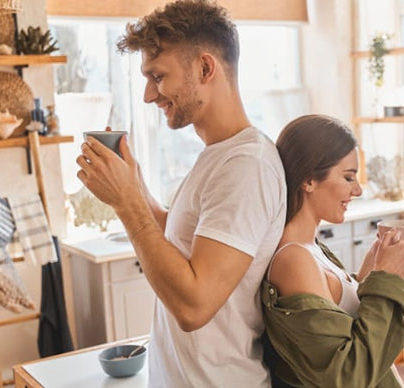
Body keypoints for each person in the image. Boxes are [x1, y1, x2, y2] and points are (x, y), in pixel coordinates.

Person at [76, 1, 286, 387]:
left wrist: (126, 204)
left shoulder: (246, 166)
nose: (148, 95)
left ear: (205, 68)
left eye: (158, 76)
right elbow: (183, 244)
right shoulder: (218, 156)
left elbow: (194, 305)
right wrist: (134, 185)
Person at [262, 114, 404, 387]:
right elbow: (345, 374)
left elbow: (339, 323)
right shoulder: (294, 260)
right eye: (348, 177)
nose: (357, 190)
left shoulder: (313, 249)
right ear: (309, 180)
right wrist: (386, 280)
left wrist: (369, 276)